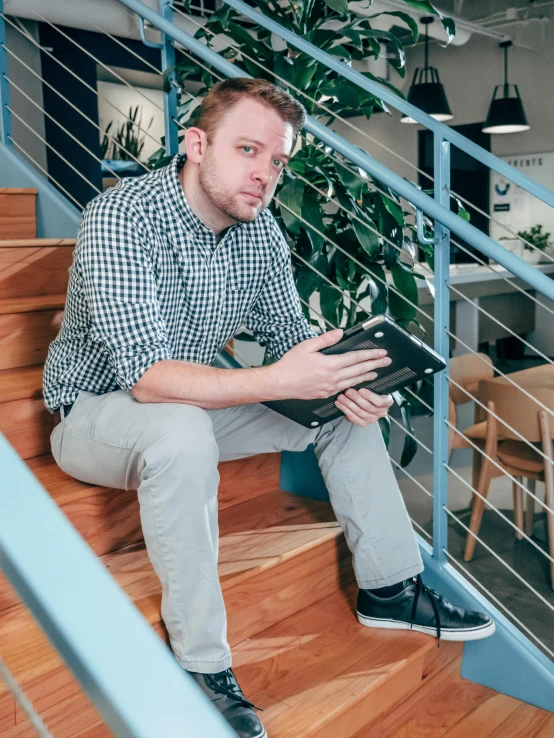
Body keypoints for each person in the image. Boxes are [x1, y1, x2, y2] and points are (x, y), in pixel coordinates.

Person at [43, 78, 495, 738]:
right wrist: (282, 376)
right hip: (95, 414)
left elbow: (289, 339)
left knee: (338, 409)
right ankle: (201, 663)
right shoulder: (121, 217)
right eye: (248, 149)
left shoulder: (260, 236)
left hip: (192, 404)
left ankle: (390, 587)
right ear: (197, 145)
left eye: (278, 160)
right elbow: (145, 379)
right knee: (180, 431)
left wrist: (350, 378)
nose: (265, 174)